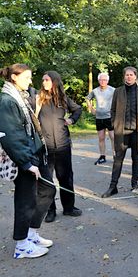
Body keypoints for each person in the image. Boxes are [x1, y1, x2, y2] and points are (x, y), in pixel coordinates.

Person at [0, 64, 56, 259]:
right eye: (27, 77)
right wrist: (26, 162)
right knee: (26, 201)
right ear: (14, 77)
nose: (31, 81)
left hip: (36, 153)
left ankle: (31, 234)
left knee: (48, 190)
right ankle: (21, 246)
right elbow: (10, 135)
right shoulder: (7, 100)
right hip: (25, 159)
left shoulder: (20, 95)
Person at [38, 71, 82, 223]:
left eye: (47, 80)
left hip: (63, 145)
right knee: (47, 181)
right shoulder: (38, 99)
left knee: (66, 178)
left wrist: (71, 120)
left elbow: (78, 109)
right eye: (43, 80)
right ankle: (50, 211)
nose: (44, 82)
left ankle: (69, 208)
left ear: (55, 81)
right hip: (46, 147)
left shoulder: (63, 99)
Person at [101, 67, 138, 198]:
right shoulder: (118, 91)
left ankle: (134, 185)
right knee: (118, 159)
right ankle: (113, 186)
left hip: (137, 132)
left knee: (136, 158)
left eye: (131, 75)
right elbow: (113, 110)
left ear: (135, 77)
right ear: (124, 77)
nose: (129, 77)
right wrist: (114, 124)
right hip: (121, 131)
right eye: (127, 75)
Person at [86, 72, 115, 165]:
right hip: (99, 117)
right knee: (101, 138)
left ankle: (115, 156)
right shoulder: (95, 91)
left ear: (108, 81)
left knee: (113, 137)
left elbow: (119, 100)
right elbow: (87, 98)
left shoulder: (113, 90)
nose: (103, 81)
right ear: (98, 80)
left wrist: (115, 111)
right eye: (101, 80)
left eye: (105, 80)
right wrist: (91, 109)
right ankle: (102, 156)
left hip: (109, 117)